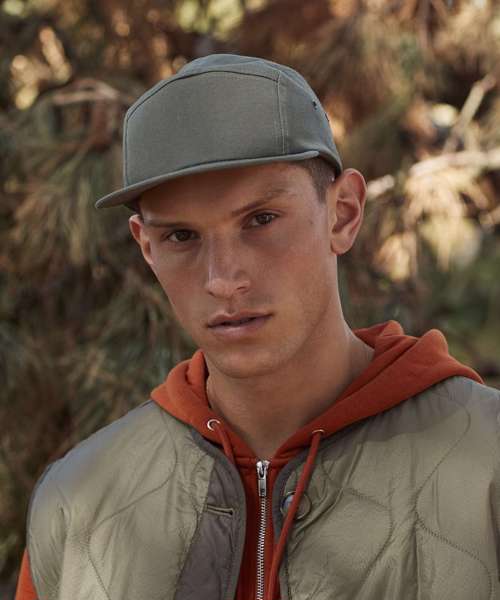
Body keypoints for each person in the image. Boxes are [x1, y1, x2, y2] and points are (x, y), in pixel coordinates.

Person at [14, 54, 500, 600]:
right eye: (181, 237)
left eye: (261, 220)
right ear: (145, 247)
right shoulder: (77, 503)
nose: (223, 280)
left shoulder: (488, 465)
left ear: (343, 213)